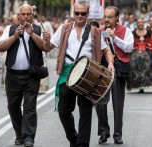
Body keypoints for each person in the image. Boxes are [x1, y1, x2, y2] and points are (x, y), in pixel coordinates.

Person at [43, 1, 114, 146]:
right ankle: (73, 138)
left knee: (86, 113)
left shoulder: (95, 31)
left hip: (88, 73)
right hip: (68, 72)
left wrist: (111, 63)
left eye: (83, 13)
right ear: (73, 13)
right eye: (77, 13)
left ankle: (83, 144)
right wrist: (45, 40)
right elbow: (47, 47)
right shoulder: (64, 29)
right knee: (63, 111)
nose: (80, 16)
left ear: (88, 14)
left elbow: (106, 50)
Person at [0, 4, 47, 147]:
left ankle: (28, 137)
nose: (25, 17)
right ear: (18, 16)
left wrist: (32, 34)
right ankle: (19, 134)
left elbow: (45, 46)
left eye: (28, 14)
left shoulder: (38, 29)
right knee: (13, 106)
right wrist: (14, 37)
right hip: (13, 75)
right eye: (22, 14)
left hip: (31, 76)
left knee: (29, 107)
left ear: (32, 15)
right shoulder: (10, 29)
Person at [95, 6, 133, 145]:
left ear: (117, 18)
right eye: (105, 16)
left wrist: (114, 38)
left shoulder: (125, 30)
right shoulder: (98, 31)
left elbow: (129, 48)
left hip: (118, 69)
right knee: (100, 102)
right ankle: (104, 132)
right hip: (103, 68)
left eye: (110, 17)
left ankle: (118, 135)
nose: (106, 20)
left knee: (118, 104)